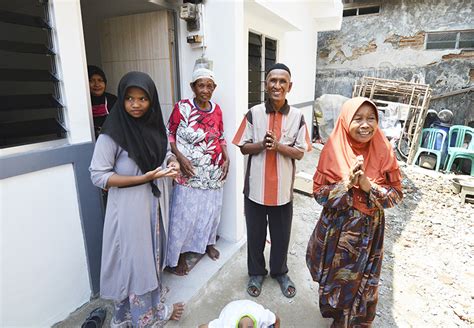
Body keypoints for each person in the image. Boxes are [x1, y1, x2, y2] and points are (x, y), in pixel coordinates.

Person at [89, 71, 184, 327]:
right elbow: (98, 176)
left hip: (153, 208)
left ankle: (153, 310)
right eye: (130, 98)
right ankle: (133, 316)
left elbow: (164, 153)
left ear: (151, 100)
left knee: (151, 257)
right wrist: (143, 179)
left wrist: (173, 162)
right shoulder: (112, 134)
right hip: (128, 210)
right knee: (133, 262)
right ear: (122, 99)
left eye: (143, 98)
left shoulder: (155, 126)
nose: (136, 104)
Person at [306, 97, 403, 327]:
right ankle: (338, 316)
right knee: (338, 278)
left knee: (362, 282)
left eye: (371, 118)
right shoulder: (333, 149)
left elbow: (396, 196)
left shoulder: (384, 150)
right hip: (338, 231)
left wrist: (370, 186)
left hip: (369, 232)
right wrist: (346, 184)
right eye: (358, 118)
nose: (365, 124)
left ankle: (350, 322)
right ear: (345, 120)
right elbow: (319, 194)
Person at [232, 63, 311, 298]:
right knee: (255, 235)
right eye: (272, 81)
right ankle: (256, 273)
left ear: (290, 86)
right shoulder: (253, 113)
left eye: (282, 81)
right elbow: (243, 147)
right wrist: (262, 145)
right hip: (255, 190)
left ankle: (280, 272)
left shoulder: (297, 116)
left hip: (282, 193)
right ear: (266, 85)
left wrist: (278, 146)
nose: (277, 85)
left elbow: (300, 152)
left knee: (281, 237)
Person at [165, 67, 229, 275]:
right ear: (193, 87)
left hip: (213, 170)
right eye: (201, 85)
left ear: (214, 88)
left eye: (209, 86)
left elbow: (220, 136)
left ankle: (207, 243)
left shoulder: (217, 109)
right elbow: (170, 134)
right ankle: (179, 255)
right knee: (184, 214)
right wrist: (180, 157)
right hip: (189, 170)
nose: (205, 90)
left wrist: (226, 156)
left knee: (210, 210)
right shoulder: (182, 107)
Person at [198, 300, 280, 328]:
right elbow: (202, 327)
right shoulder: (226, 324)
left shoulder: (263, 316)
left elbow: (276, 319)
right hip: (230, 309)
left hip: (249, 306)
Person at [88, 65, 117, 137]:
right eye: (91, 81)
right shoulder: (82, 103)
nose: (97, 85)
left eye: (100, 80)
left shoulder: (113, 100)